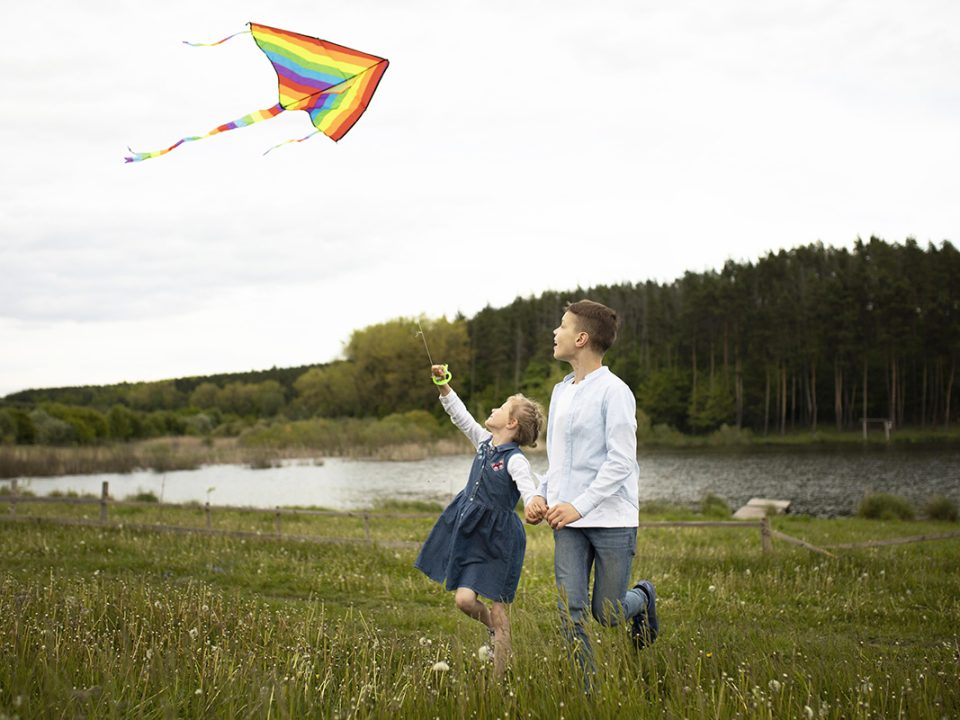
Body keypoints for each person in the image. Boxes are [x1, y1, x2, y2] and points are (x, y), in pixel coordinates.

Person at [525, 299, 658, 681]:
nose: (555, 332)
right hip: (566, 519)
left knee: (610, 614)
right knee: (570, 611)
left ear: (582, 338)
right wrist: (541, 496)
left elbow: (621, 463)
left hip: (611, 517)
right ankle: (587, 691)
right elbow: (559, 462)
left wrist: (578, 506)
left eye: (562, 326)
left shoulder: (615, 392)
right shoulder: (560, 391)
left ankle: (644, 596)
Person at [415, 364, 545, 678]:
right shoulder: (484, 441)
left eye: (500, 407)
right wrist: (444, 387)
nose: (492, 408)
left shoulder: (514, 460)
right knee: (463, 600)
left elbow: (528, 487)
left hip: (500, 540)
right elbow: (460, 417)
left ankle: (499, 680)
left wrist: (533, 503)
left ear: (511, 423)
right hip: (472, 532)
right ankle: (492, 630)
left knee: (499, 609)